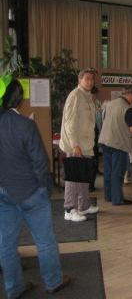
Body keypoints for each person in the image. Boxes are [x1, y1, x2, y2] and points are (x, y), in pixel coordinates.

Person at [0, 78, 71, 298]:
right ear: (19, 99)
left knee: (6, 245)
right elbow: (40, 162)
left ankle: (13, 288)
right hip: (31, 193)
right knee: (45, 241)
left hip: (3, 193)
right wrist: (45, 188)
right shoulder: (25, 125)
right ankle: (53, 282)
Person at [59, 68, 99, 222]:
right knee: (73, 178)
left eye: (92, 79)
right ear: (80, 80)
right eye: (87, 78)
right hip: (76, 145)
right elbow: (70, 123)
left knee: (83, 176)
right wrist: (75, 145)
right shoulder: (75, 96)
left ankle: (83, 205)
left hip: (86, 145)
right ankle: (69, 209)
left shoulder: (88, 96)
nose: (90, 81)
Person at [99, 86, 132, 205]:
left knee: (108, 171)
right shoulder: (128, 109)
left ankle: (109, 196)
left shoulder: (110, 104)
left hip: (105, 141)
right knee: (118, 172)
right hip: (118, 144)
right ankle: (117, 199)